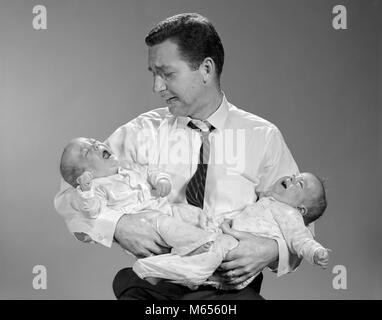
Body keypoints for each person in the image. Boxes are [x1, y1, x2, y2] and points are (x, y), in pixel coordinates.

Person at [54, 13, 309, 300]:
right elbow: (71, 190)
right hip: (157, 282)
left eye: (167, 74)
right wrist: (117, 226)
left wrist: (272, 249)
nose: (157, 87)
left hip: (228, 288)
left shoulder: (263, 137)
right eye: (153, 73)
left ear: (206, 69)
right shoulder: (141, 131)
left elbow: (301, 213)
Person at [133, 172, 329, 290]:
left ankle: (185, 269)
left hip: (236, 251)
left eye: (299, 183)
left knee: (214, 250)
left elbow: (301, 238)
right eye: (294, 176)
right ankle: (159, 222)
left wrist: (314, 251)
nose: (291, 177)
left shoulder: (289, 214)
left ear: (301, 209)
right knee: (191, 215)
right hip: (222, 231)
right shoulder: (269, 199)